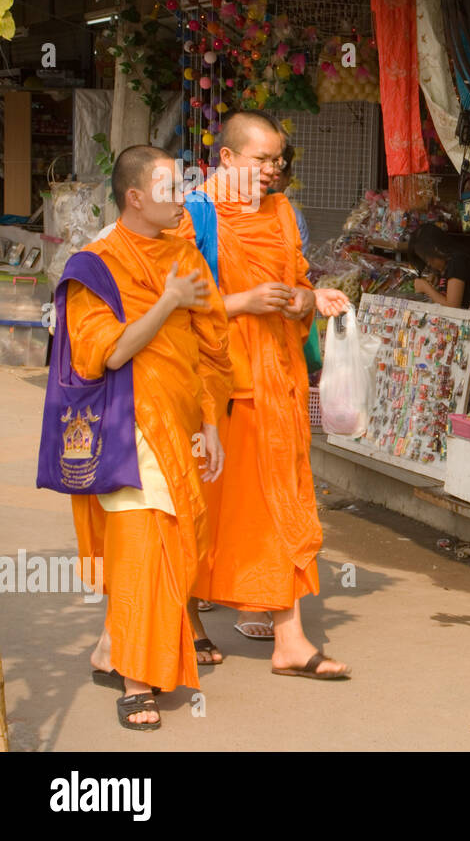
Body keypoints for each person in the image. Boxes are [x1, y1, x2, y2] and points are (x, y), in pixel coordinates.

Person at [57, 145, 232, 729]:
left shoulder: (186, 256)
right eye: (169, 188)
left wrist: (210, 421)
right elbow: (107, 353)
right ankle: (136, 679)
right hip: (127, 428)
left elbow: (212, 346)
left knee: (179, 548)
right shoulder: (94, 265)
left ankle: (114, 646)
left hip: (180, 424)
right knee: (140, 551)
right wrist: (168, 302)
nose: (181, 197)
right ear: (135, 197)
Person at [178, 111, 352, 679]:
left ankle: (290, 639)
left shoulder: (283, 213)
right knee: (201, 512)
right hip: (216, 389)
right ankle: (187, 619)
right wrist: (242, 303)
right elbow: (170, 306)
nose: (272, 171)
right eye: (261, 160)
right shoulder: (193, 216)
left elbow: (296, 283)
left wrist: (310, 300)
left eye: (278, 160)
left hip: (277, 384)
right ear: (226, 158)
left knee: (282, 502)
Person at [410, 224, 470, 309]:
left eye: (427, 258)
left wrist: (426, 288)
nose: (428, 264)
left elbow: (452, 306)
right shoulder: (448, 262)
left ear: (436, 249)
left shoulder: (457, 262)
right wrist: (437, 275)